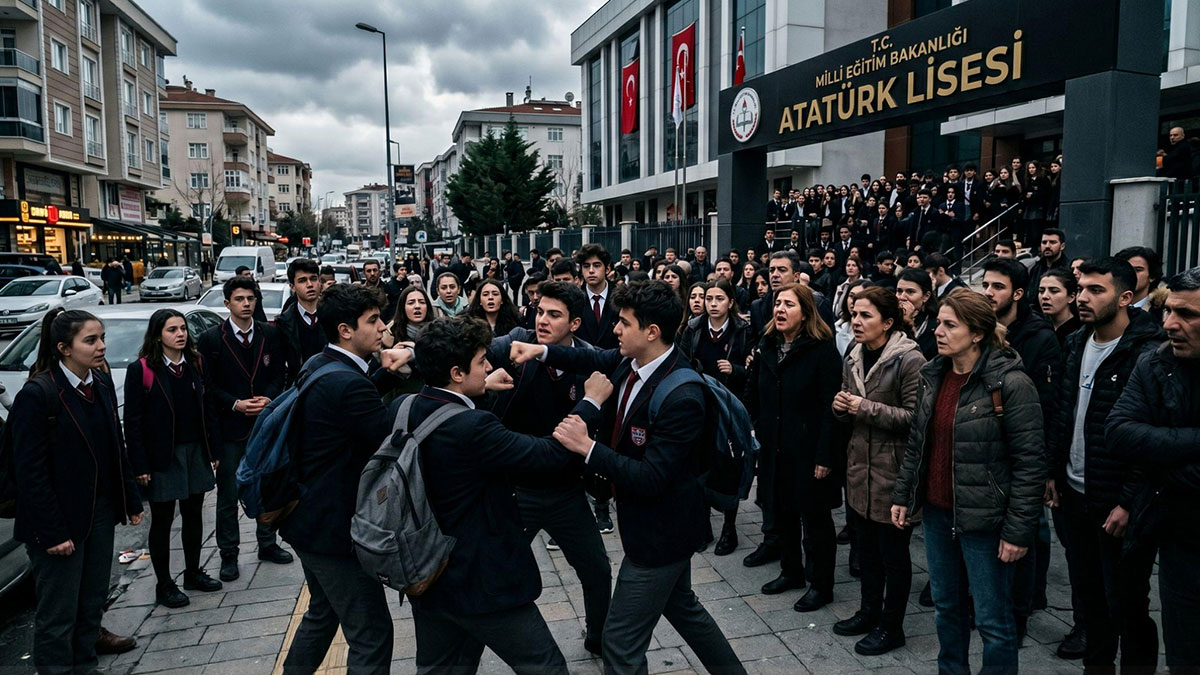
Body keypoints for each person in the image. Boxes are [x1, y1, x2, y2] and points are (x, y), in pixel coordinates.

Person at [511, 280, 745, 675]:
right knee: (684, 609)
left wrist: (587, 448)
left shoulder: (682, 395)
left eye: (623, 323)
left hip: (661, 537)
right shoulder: (632, 362)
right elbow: (593, 359)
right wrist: (542, 350)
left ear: (651, 332)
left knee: (618, 643)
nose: (615, 330)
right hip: (649, 527)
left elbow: (653, 477)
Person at [407, 317, 606, 673]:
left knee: (440, 668)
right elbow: (547, 454)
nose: (488, 367)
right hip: (483, 580)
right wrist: (590, 403)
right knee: (545, 666)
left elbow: (455, 443)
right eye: (482, 362)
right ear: (456, 372)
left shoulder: (405, 408)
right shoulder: (473, 427)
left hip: (428, 574)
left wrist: (481, 391)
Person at [890, 289, 1047, 675]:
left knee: (994, 622)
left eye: (950, 325)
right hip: (939, 517)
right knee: (947, 610)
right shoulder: (935, 375)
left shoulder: (1010, 383)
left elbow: (1030, 464)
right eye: (939, 323)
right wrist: (904, 496)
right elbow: (919, 444)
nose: (939, 332)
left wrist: (1017, 532)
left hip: (986, 522)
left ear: (977, 333)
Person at [1045, 258, 1163, 674]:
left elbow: (1149, 437)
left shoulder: (1147, 353)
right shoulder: (1077, 342)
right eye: (1081, 288)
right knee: (1091, 602)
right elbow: (1063, 413)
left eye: (1096, 290)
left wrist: (1129, 502)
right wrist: (1054, 473)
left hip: (1119, 504)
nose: (1082, 298)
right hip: (1076, 494)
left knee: (1128, 605)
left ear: (1126, 298)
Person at [483, 281, 614, 654]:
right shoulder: (514, 344)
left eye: (553, 315)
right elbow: (468, 355)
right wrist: (484, 385)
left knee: (597, 571)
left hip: (566, 490)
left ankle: (599, 638)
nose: (542, 320)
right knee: (496, 568)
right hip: (516, 489)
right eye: (539, 311)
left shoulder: (588, 361)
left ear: (575, 324)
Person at [11, 309, 144, 674]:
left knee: (90, 603)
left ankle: (85, 666)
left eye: (101, 338)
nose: (101, 346)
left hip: (98, 513)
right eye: (91, 340)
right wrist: (52, 532)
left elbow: (115, 447)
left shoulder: (99, 384)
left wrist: (129, 499)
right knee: (58, 614)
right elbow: (30, 474)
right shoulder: (39, 395)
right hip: (57, 522)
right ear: (63, 349)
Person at [279, 284, 403, 674]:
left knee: (322, 615)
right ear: (346, 331)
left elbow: (351, 407)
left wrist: (384, 373)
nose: (383, 328)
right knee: (372, 633)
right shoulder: (346, 383)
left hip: (309, 522)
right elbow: (388, 433)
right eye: (373, 321)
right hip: (335, 532)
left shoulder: (321, 364)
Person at [1106, 266, 1200, 672]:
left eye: (1188, 315)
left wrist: (1162, 456)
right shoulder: (1156, 362)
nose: (1170, 324)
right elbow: (1120, 431)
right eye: (1169, 311)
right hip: (1179, 536)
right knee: (1185, 656)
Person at [832, 287, 925, 655]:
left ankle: (892, 626)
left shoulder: (909, 360)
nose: (857, 321)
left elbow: (916, 419)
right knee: (866, 552)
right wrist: (841, 406)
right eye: (854, 314)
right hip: (859, 470)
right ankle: (868, 612)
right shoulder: (853, 353)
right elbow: (847, 404)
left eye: (866, 316)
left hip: (893, 472)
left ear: (888, 322)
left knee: (894, 556)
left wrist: (862, 407)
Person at [748, 282, 841, 613]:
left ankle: (821, 584)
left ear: (805, 314)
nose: (780, 309)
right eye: (777, 303)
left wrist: (825, 455)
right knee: (782, 512)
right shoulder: (768, 344)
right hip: (775, 447)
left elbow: (832, 408)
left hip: (809, 450)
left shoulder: (822, 349)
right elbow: (757, 394)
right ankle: (791, 572)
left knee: (815, 521)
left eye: (789, 304)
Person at [124, 309, 221, 608]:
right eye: (171, 330)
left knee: (194, 514)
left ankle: (193, 572)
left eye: (182, 329)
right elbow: (133, 421)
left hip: (195, 450)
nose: (180, 334)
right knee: (163, 520)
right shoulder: (142, 370)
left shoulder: (195, 363)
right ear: (157, 335)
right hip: (163, 456)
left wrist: (212, 450)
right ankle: (164, 584)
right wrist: (140, 465)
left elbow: (208, 409)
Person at [197, 277, 291, 582]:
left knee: (268, 484)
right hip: (231, 426)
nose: (246, 304)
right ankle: (229, 554)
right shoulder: (212, 339)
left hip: (264, 422)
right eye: (240, 299)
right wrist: (235, 403)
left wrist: (270, 398)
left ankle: (267, 542)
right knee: (228, 493)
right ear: (227, 304)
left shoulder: (270, 333)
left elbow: (280, 373)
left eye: (251, 298)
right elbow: (209, 387)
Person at [677, 278, 751, 555]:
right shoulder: (693, 328)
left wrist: (736, 370)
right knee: (699, 465)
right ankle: (703, 523)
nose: (712, 304)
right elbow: (682, 363)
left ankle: (729, 528)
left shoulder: (742, 330)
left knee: (729, 464)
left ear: (730, 302)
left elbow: (753, 370)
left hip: (730, 408)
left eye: (719, 299)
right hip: (700, 405)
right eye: (709, 299)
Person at [277, 259, 327, 386]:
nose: (309, 284)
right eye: (302, 280)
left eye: (313, 279)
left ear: (320, 282)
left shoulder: (335, 315)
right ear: (292, 287)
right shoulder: (284, 323)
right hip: (298, 390)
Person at [575, 243, 619, 350]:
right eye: (586, 266)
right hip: (582, 362)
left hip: (614, 362)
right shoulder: (574, 299)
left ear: (607, 269)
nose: (591, 270)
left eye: (596, 265)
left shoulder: (621, 296)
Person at [1115, 245, 1166, 324]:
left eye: (1138, 270)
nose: (1131, 273)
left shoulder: (1162, 312)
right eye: (1126, 269)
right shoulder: (1107, 307)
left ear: (1152, 276)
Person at [1037, 268, 1081, 347]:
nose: (1044, 296)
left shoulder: (1079, 333)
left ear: (1071, 297)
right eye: (1041, 291)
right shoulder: (1038, 328)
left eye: (1054, 291)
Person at [1027, 229, 1069, 300]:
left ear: (1062, 246)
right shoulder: (1035, 268)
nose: (1047, 246)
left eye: (1052, 242)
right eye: (1044, 242)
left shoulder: (1068, 269)